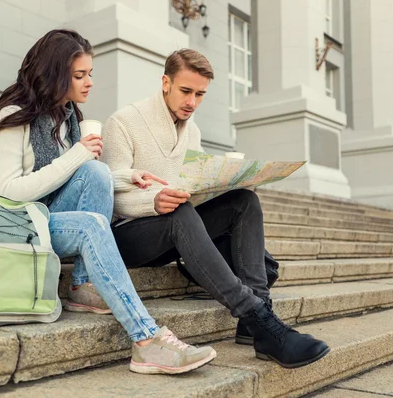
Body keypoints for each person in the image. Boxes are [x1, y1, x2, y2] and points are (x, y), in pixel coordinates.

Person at [0, 30, 216, 375]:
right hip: (10, 225)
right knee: (93, 220)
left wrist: (127, 177)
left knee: (99, 172)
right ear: (55, 74)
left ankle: (82, 286)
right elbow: (11, 192)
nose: (89, 83)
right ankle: (147, 340)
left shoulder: (68, 119)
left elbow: (70, 176)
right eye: (79, 75)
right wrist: (77, 156)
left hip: (42, 218)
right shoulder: (13, 118)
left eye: (90, 73)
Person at [101, 48, 330, 369]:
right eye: (185, 91)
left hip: (174, 227)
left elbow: (192, 181)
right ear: (165, 82)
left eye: (200, 94)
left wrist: (224, 186)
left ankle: (260, 317)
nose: (192, 102)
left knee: (242, 201)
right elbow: (108, 192)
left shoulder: (191, 130)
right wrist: (152, 201)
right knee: (178, 211)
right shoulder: (123, 122)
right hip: (127, 235)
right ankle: (262, 323)